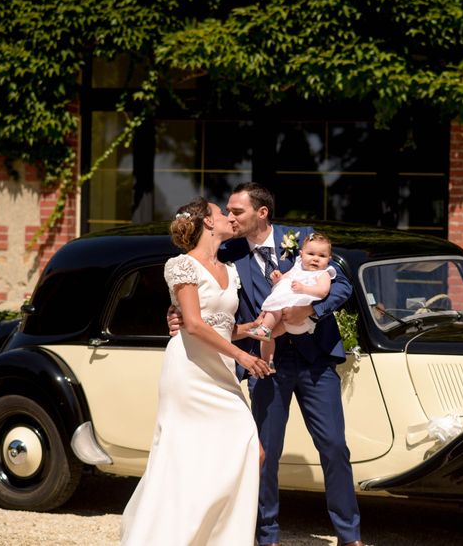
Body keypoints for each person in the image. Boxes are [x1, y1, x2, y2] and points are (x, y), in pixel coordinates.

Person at [170, 183, 364, 546]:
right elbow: (201, 291)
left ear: (261, 213)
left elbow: (343, 286)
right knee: (264, 453)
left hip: (315, 361)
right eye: (226, 211)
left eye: (237, 211)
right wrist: (176, 313)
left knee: (335, 447)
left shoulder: (305, 239)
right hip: (264, 361)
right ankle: (266, 536)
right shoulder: (227, 252)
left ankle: (349, 535)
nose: (230, 217)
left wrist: (312, 309)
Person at [121, 197, 273, 546]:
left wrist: (249, 329)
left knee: (251, 449)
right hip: (189, 371)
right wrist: (242, 356)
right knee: (186, 455)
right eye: (222, 213)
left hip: (219, 370)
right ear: (207, 221)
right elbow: (191, 323)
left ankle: (219, 536)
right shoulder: (181, 266)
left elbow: (220, 325)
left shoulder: (230, 268)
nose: (229, 218)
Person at [246, 231, 336, 367]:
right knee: (269, 336)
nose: (316, 259)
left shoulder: (323, 274)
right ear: (301, 255)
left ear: (329, 259)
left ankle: (263, 328)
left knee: (273, 310)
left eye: (322, 256)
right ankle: (267, 362)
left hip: (301, 316)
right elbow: (284, 278)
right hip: (286, 319)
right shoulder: (297, 267)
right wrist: (277, 278)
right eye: (311, 254)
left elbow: (323, 291)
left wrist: (304, 288)